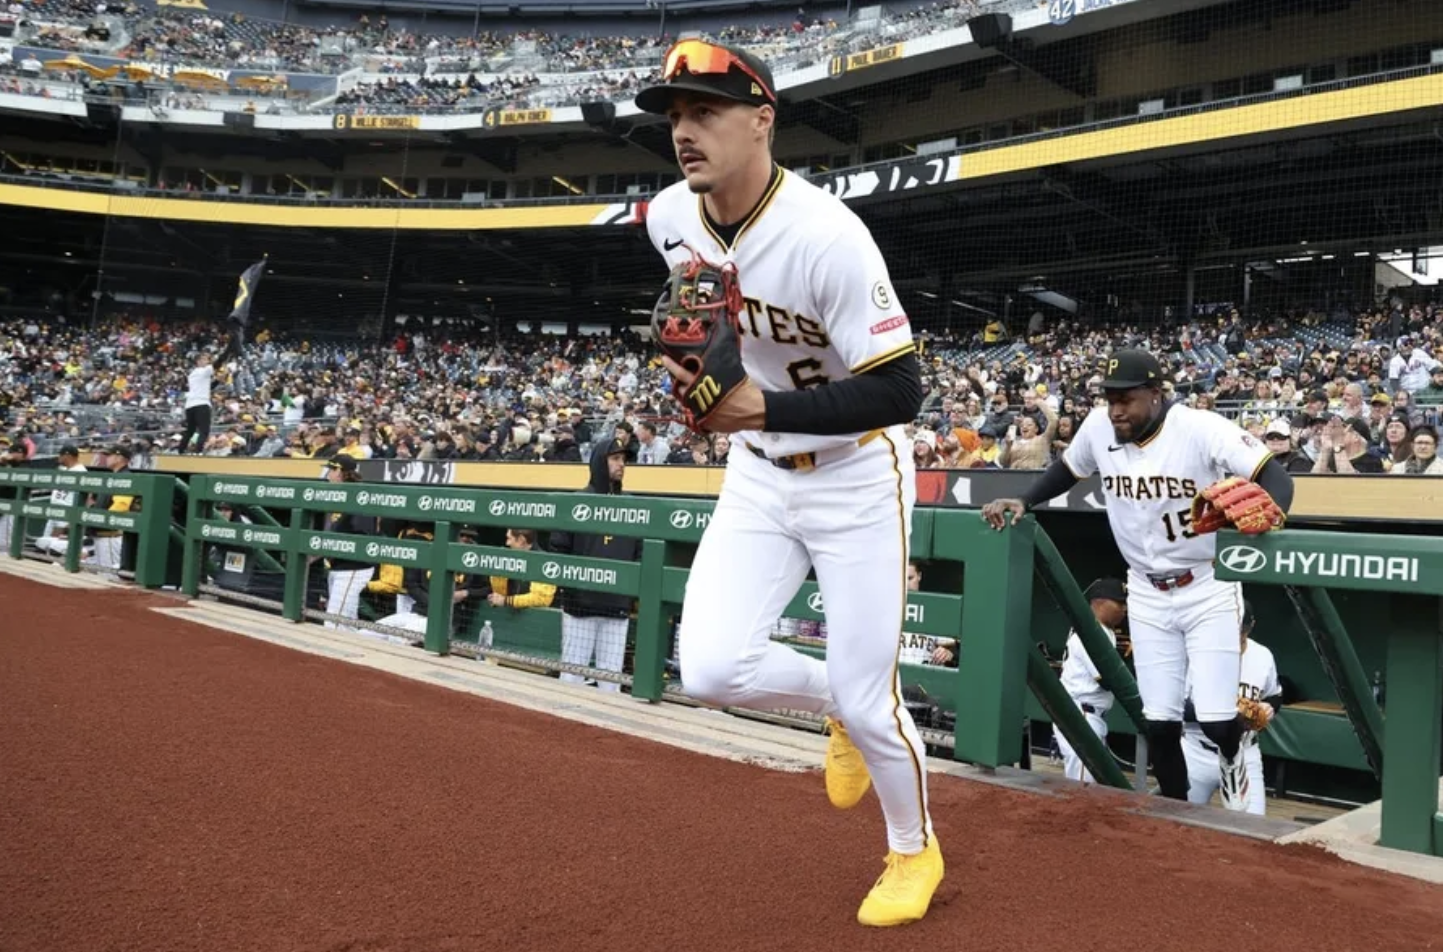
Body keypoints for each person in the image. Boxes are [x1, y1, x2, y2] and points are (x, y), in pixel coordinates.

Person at [635, 41, 939, 926]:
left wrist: (756, 406)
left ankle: (913, 851)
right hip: (758, 473)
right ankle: (837, 705)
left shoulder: (827, 235)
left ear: (762, 120)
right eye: (675, 115)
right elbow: (698, 317)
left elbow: (903, 391)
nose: (683, 131)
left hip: (856, 472)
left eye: (705, 112)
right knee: (709, 668)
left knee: (875, 701)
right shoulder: (669, 216)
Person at [982, 348, 1295, 812]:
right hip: (1146, 589)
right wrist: (1025, 500)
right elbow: (1068, 469)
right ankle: (1175, 816)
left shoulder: (1200, 428)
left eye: (1125, 399)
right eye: (1110, 399)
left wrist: (1274, 512)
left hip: (1205, 584)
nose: (1115, 410)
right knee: (1160, 723)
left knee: (1215, 721)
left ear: (1155, 393)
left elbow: (1274, 474)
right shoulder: (1098, 428)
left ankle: (1234, 755)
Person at [548, 438, 641, 692]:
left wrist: (630, 593)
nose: (621, 464)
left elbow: (641, 553)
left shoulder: (632, 504)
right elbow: (559, 548)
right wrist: (570, 590)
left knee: (610, 682)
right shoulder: (577, 500)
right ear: (600, 461)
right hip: (580, 607)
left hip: (617, 607)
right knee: (572, 678)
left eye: (624, 459)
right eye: (615, 458)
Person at [1181, 599, 1281, 815]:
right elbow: (1178, 707)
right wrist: (1226, 713)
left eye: (1241, 630)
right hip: (1198, 753)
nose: (1236, 636)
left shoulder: (1262, 656)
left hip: (1245, 754)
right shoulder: (1196, 653)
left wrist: (1268, 708)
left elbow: (1275, 695)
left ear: (1251, 626)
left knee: (1253, 825)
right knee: (1182, 823)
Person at [1052, 578, 1128, 784]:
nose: (1124, 608)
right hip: (1082, 714)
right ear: (1099, 602)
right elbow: (1107, 680)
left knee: (1090, 783)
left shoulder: (1102, 630)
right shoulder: (1089, 633)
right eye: (1119, 602)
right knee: (1084, 785)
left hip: (1090, 714)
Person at [319, 453, 377, 630]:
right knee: (346, 621)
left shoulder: (358, 494)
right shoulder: (336, 494)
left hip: (353, 567)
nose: (328, 474)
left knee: (334, 622)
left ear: (340, 472)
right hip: (337, 565)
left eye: (331, 470)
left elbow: (363, 533)